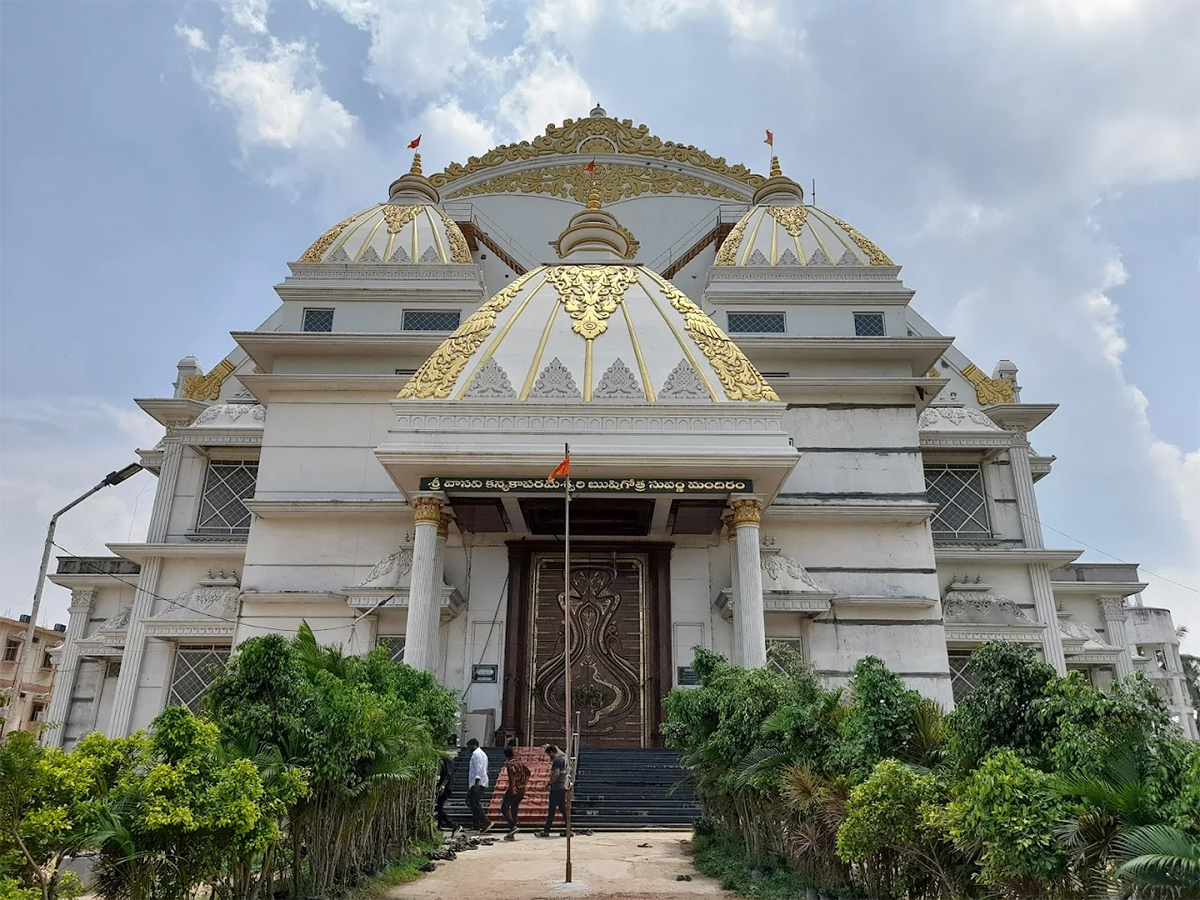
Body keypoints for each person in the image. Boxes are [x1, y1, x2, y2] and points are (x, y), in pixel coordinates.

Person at [536, 744, 570, 838]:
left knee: (552, 810)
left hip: (556, 788)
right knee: (563, 809)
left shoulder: (556, 760)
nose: (548, 756)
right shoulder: (562, 760)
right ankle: (568, 829)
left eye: (548, 754)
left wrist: (549, 783)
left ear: (551, 752)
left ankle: (546, 831)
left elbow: (556, 774)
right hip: (562, 788)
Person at [499, 745, 531, 840]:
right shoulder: (519, 763)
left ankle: (512, 826)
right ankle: (512, 830)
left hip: (514, 788)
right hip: (521, 789)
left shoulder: (510, 764)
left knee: (504, 808)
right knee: (514, 808)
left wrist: (513, 786)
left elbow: (512, 774)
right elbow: (528, 772)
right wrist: (524, 783)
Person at [465, 738, 492, 832]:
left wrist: (477, 782)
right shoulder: (482, 754)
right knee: (472, 801)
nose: (468, 749)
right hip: (479, 781)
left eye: (469, 746)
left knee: (472, 802)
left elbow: (479, 768)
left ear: (474, 745)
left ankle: (485, 821)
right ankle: (476, 824)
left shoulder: (477, 754)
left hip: (478, 782)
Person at [435, 750, 459, 834]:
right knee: (439, 806)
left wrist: (442, 786)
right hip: (445, 786)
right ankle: (439, 826)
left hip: (446, 787)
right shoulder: (445, 760)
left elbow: (448, 774)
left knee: (438, 807)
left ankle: (453, 824)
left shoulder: (446, 760)